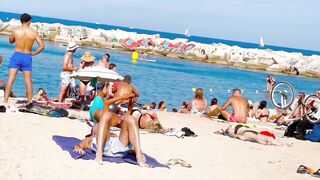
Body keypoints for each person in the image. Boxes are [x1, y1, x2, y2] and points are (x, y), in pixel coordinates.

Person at [74, 111, 148, 167]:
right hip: (104, 147)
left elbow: (131, 145)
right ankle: (99, 153)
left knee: (130, 118)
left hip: (120, 148)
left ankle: (139, 157)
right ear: (93, 132)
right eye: (97, 126)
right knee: (106, 115)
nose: (98, 125)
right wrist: (78, 147)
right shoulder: (91, 138)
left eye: (99, 124)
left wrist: (138, 151)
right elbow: (79, 145)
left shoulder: (112, 135)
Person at [3, 13, 45, 105]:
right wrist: (34, 53)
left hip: (17, 56)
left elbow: (10, 41)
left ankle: (5, 101)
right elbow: (42, 46)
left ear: (21, 21)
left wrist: (17, 39)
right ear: (29, 21)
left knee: (10, 79)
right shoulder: (33, 33)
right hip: (27, 57)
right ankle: (29, 101)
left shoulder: (16, 31)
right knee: (28, 81)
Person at [214, 125, 292, 146]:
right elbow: (236, 135)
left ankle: (282, 144)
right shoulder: (244, 132)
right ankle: (283, 144)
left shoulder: (241, 134)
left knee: (269, 140)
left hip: (254, 135)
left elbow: (235, 135)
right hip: (256, 134)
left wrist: (228, 130)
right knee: (270, 140)